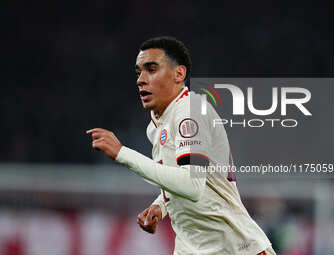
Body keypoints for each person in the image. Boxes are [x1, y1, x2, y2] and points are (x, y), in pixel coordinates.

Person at [87, 36, 276, 255]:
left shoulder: (191, 111)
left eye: (151, 69)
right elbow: (185, 178)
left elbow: (191, 185)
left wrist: (122, 153)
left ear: (179, 74)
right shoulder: (157, 125)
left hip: (236, 248)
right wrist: (162, 205)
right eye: (138, 72)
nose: (141, 79)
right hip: (193, 248)